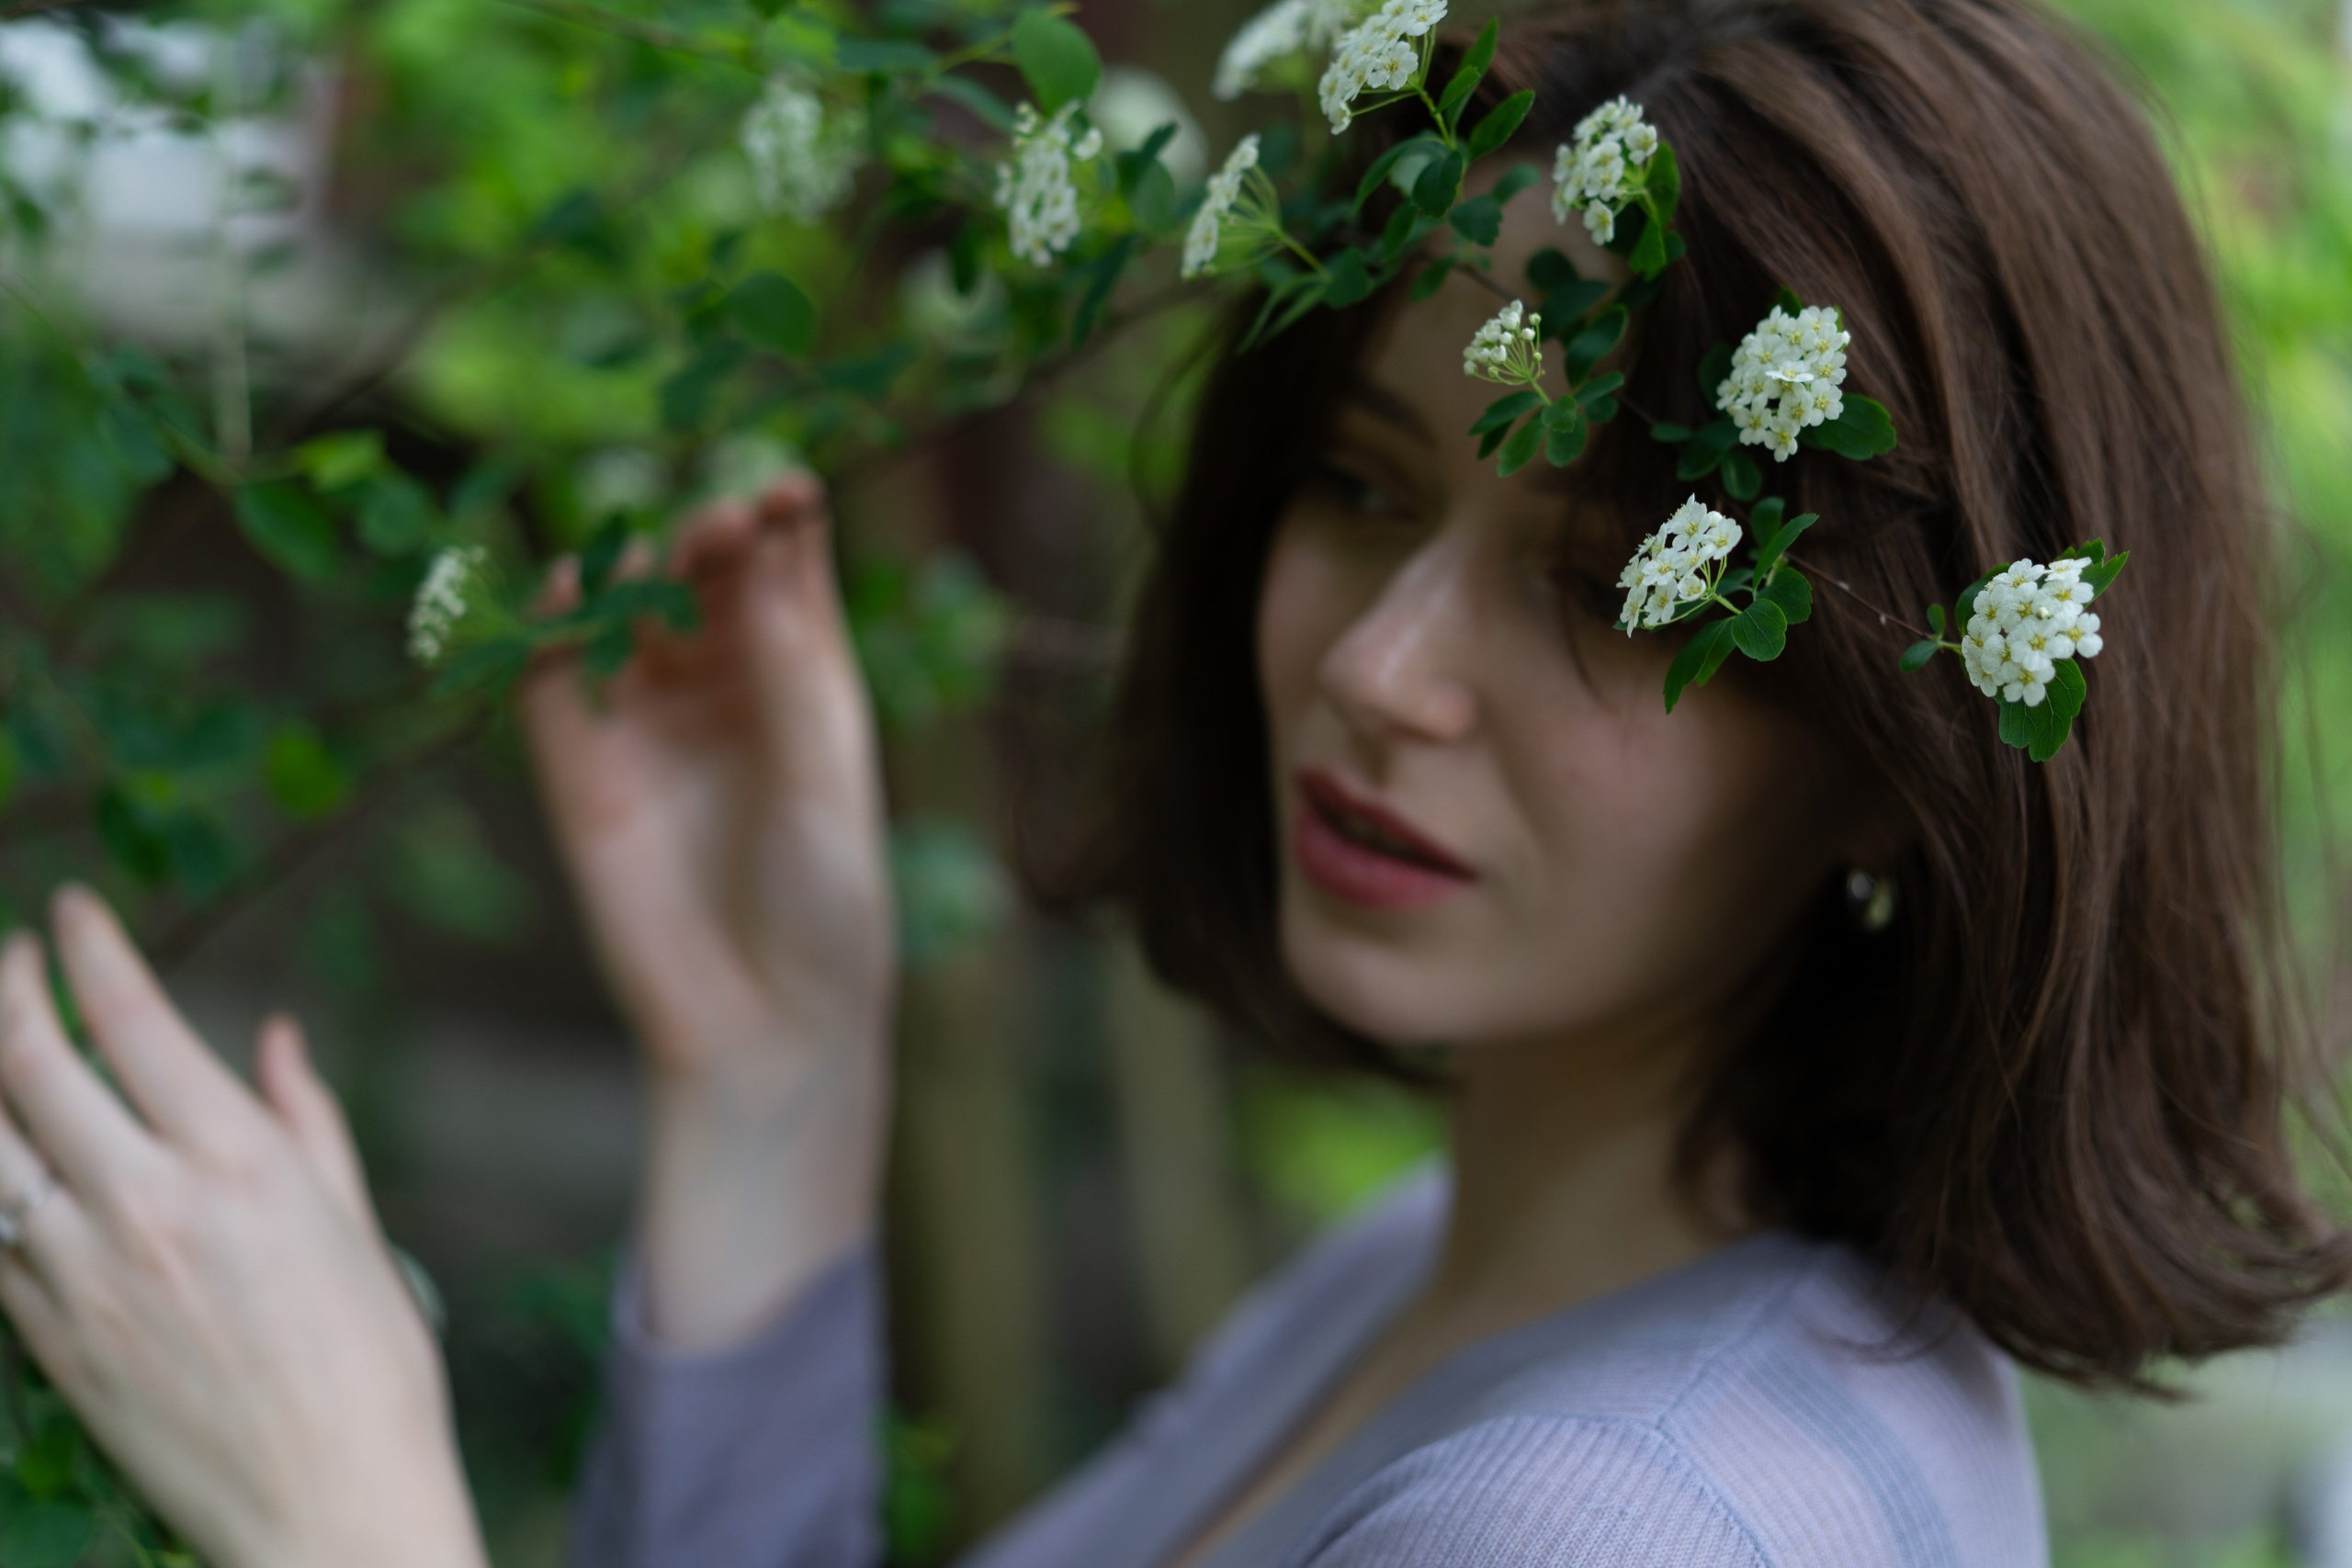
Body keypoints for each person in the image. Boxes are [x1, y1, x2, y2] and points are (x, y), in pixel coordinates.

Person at [0, 0, 2339, 1563]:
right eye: (1353, 480)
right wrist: (776, 1082)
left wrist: (362, 1522)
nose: (1384, 668)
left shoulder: (1606, 1513)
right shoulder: (1431, 1271)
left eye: (1609, 584)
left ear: (1899, 751)